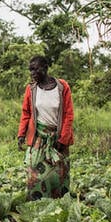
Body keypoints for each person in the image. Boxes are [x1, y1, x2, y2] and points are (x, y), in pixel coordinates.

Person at [16, 55, 75, 200]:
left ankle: (58, 204)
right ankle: (35, 203)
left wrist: (63, 139)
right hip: (38, 136)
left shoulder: (62, 87)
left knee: (59, 173)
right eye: (31, 70)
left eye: (36, 69)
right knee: (34, 171)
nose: (33, 73)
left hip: (58, 136)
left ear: (46, 68)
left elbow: (68, 114)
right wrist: (21, 134)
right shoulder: (31, 89)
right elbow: (26, 113)